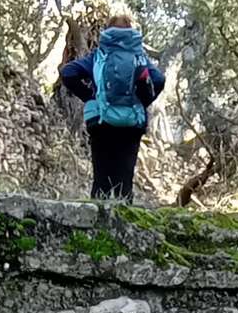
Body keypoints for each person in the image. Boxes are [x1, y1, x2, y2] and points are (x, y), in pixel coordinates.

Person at [59, 12, 165, 201]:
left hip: (101, 121)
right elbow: (159, 79)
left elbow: (68, 72)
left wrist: (91, 97)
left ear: (107, 31)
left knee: (101, 180)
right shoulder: (139, 57)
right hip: (132, 123)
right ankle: (125, 215)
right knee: (125, 180)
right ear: (131, 31)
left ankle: (97, 216)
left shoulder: (99, 56)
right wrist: (141, 103)